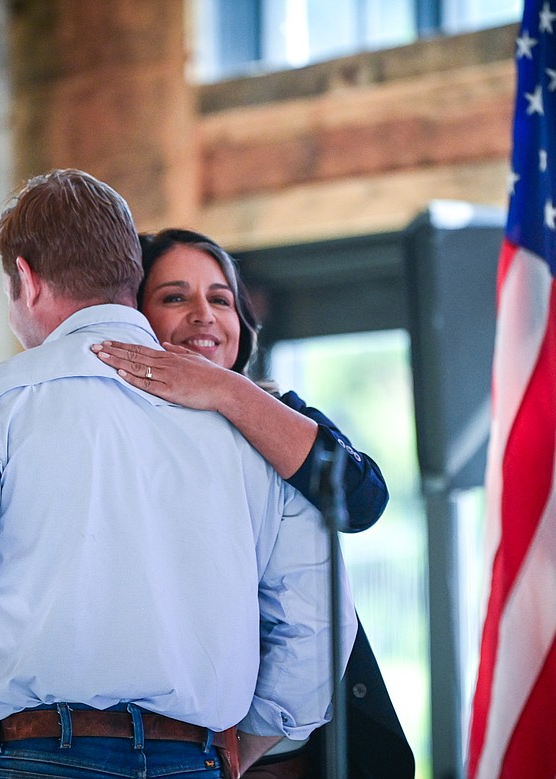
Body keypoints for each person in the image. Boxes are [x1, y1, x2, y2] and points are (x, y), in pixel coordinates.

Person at [0, 170, 356, 779]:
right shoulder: (253, 424)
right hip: (194, 761)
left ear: (28, 280)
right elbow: (319, 617)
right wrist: (248, 743)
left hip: (39, 758)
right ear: (131, 277)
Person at [91, 228, 415, 779]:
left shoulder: (272, 410)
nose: (203, 315)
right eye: (174, 297)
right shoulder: (107, 430)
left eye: (220, 299)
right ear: (134, 317)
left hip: (284, 753)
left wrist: (226, 390)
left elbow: (362, 502)